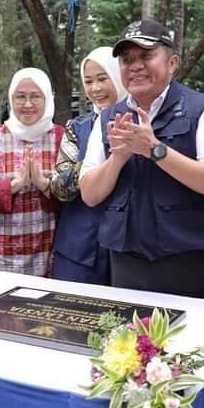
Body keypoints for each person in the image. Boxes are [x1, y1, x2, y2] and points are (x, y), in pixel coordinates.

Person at [79, 19, 204, 299]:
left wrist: (155, 150)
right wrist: (117, 158)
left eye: (146, 56)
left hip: (188, 262)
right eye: (127, 59)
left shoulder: (203, 110)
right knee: (128, 342)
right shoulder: (107, 118)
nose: (136, 65)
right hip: (127, 264)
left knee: (191, 342)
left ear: (172, 63)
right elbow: (90, 194)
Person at [0, 68, 64, 276]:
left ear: (47, 98)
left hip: (47, 245)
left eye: (35, 97)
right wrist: (15, 185)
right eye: (20, 97)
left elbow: (73, 194)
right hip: (1, 249)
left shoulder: (60, 136)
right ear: (11, 100)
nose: (27, 104)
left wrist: (42, 183)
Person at [50, 46, 127, 285]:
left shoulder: (143, 124)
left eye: (103, 79)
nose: (96, 89)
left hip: (128, 249)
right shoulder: (78, 127)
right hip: (79, 247)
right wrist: (97, 159)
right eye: (88, 81)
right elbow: (59, 187)